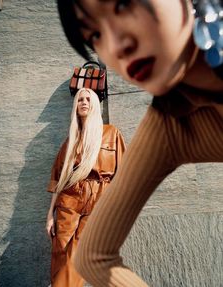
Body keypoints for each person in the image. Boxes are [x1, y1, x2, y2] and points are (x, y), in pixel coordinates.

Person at [57, 1, 223, 286]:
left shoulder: (111, 135)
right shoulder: (169, 126)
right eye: (94, 35)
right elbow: (94, 256)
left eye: (123, 4)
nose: (116, 46)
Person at [45, 87, 126, 287]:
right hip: (70, 198)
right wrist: (49, 215)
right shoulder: (69, 142)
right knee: (60, 251)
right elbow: (58, 180)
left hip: (100, 197)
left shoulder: (111, 133)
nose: (83, 102)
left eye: (88, 99)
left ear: (95, 105)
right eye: (80, 99)